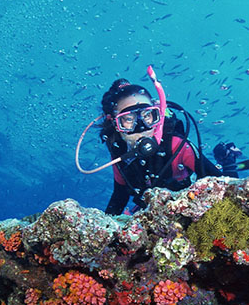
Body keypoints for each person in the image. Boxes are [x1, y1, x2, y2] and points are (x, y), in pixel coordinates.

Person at [98, 78, 235, 215]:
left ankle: (228, 160)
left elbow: (221, 185)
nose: (141, 127)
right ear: (115, 124)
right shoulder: (119, 154)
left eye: (147, 115)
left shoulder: (176, 144)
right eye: (128, 119)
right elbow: (119, 196)